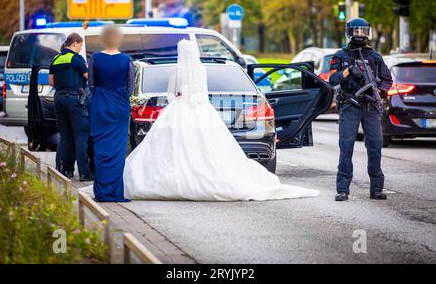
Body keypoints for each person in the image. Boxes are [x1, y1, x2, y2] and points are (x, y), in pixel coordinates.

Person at [123, 39, 319, 201]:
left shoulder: (176, 70)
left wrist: (177, 102)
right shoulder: (202, 70)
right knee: (209, 148)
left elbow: (172, 94)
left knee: (177, 147)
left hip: (180, 110)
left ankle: (178, 179)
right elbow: (203, 91)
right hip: (202, 110)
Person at [329, 18, 393, 202]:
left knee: (375, 147)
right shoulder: (340, 56)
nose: (359, 34)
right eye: (356, 31)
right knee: (346, 147)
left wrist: (378, 90)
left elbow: (388, 80)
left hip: (371, 105)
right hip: (350, 104)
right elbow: (332, 80)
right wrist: (348, 71)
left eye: (362, 31)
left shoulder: (375, 57)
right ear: (349, 32)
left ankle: (376, 189)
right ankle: (342, 190)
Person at [88, 25, 135, 202]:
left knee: (100, 148)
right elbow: (130, 87)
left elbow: (91, 85)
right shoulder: (126, 60)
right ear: (118, 39)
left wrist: (102, 93)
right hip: (119, 106)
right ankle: (115, 192)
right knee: (117, 149)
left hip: (100, 105)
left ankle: (101, 191)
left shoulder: (95, 58)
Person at [48, 33, 93, 181]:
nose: (80, 49)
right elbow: (88, 77)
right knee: (81, 135)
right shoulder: (76, 58)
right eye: (80, 45)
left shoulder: (56, 58)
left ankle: (63, 170)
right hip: (75, 99)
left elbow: (51, 81)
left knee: (65, 136)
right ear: (74, 43)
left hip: (58, 99)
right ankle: (84, 173)